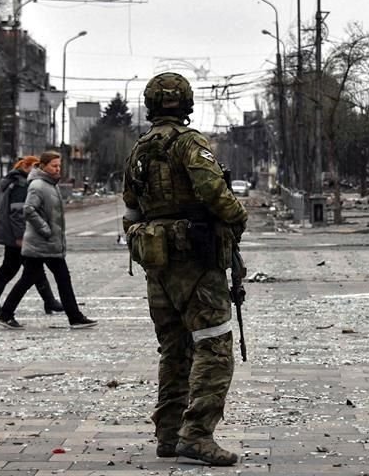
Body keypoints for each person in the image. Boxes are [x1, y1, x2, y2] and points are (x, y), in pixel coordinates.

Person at [122, 73, 247, 466]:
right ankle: (196, 434)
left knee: (174, 348)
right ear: (187, 104)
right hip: (195, 259)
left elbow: (129, 208)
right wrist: (237, 217)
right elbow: (214, 192)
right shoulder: (190, 143)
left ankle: (168, 432)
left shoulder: (139, 150)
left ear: (151, 106)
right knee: (214, 345)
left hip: (157, 262)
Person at [0, 151, 96, 330]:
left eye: (59, 166)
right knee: (31, 279)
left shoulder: (51, 184)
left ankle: (74, 317)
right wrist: (45, 229)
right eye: (54, 166)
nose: (58, 169)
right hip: (41, 243)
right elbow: (28, 209)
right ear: (43, 166)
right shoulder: (38, 185)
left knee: (59, 279)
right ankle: (6, 314)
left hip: (50, 243)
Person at [0, 156, 62, 315]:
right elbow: (17, 213)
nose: (38, 171)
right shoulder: (21, 184)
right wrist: (20, 237)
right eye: (35, 167)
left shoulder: (16, 181)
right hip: (18, 237)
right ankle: (49, 301)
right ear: (27, 167)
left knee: (11, 269)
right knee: (33, 268)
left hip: (13, 235)